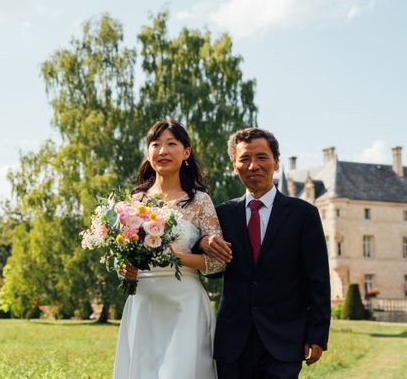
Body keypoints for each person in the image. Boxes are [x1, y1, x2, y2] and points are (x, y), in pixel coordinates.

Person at [196, 127, 330, 379]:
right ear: (234, 166)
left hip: (284, 342)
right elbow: (211, 271)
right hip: (232, 343)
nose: (253, 165)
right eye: (244, 159)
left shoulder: (304, 215)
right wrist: (203, 242)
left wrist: (317, 334)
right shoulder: (222, 215)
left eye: (261, 157)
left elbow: (318, 279)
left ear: (276, 163)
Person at [113, 120, 226, 379]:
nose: (163, 150)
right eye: (156, 144)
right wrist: (125, 270)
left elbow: (219, 263)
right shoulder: (134, 202)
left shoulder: (200, 201)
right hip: (143, 305)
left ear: (186, 152)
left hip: (185, 306)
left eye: (171, 144)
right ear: (148, 152)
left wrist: (179, 258)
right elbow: (125, 257)